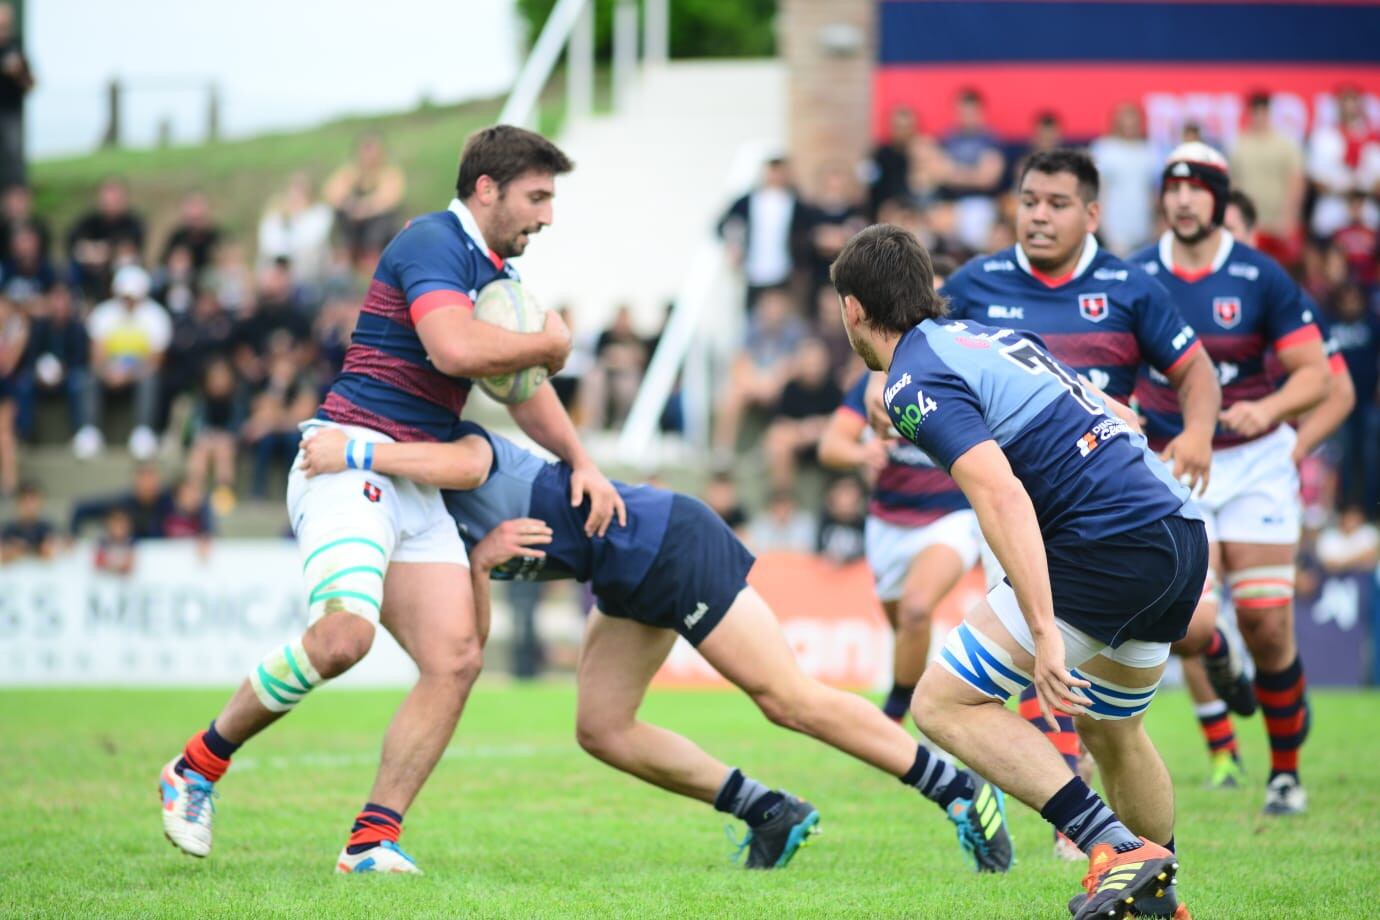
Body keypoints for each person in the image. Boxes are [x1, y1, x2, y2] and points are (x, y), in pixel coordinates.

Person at [156, 124, 624, 875]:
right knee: (344, 638)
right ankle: (196, 767)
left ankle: (371, 840)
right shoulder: (433, 242)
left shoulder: (491, 269)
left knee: (456, 659)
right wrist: (550, 342)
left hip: (414, 477)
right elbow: (455, 351)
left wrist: (583, 462)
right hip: (346, 461)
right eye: (537, 197)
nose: (547, 215)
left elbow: (522, 390)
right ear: (486, 190)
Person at [297, 422, 1015, 874]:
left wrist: (356, 449)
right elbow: (467, 649)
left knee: (785, 699)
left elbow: (470, 455)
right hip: (622, 575)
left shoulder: (455, 453)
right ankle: (768, 810)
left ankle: (959, 790)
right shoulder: (434, 538)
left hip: (666, 541)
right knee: (600, 728)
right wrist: (481, 565)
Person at [834, 223, 1205, 920]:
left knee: (941, 703)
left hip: (1106, 543)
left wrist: (1045, 628)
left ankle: (1115, 848)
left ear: (853, 309)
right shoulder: (983, 337)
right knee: (1113, 731)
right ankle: (1158, 897)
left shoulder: (912, 377)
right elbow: (1118, 411)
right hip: (1174, 528)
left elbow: (999, 493)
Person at [943, 148, 1227, 831]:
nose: (1039, 215)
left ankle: (1100, 830)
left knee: (1175, 644)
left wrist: (1195, 435)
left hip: (1110, 510)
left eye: (1057, 203)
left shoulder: (1129, 288)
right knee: (1058, 679)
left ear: (1092, 213)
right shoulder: (974, 284)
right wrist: (876, 393)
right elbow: (911, 356)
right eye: (1029, 199)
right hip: (1016, 506)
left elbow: (1198, 374)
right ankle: (1099, 830)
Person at [1132, 142, 1330, 816]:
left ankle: (1285, 775)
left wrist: (1268, 409)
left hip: (1252, 464)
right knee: (1187, 623)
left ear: (1219, 198)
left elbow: (1316, 374)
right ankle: (1217, 656)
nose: (1184, 198)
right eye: (1173, 187)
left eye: (1198, 187)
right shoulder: (1135, 274)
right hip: (1173, 459)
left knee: (1269, 624)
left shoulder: (1259, 275)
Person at [819, 367, 978, 726]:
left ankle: (892, 719)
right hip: (887, 522)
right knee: (905, 629)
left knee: (916, 610)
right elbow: (831, 446)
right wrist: (863, 454)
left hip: (952, 517)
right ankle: (935, 710)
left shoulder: (961, 374)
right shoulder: (877, 381)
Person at [82, 264, 172, 460]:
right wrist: (110, 371)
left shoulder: (156, 317)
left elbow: (155, 361)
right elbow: (96, 356)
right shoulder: (103, 314)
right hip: (109, 371)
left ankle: (143, 431)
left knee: (151, 380)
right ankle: (90, 431)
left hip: (140, 373)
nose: (128, 301)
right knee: (88, 378)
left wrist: (128, 373)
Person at [1228, 93, 1305, 265]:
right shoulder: (1239, 144)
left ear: (1269, 113)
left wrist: (1290, 217)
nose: (1259, 117)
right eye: (1255, 112)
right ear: (1249, 113)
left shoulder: (1285, 144)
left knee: (1281, 274)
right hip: (1250, 224)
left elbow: (1296, 181)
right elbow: (1233, 184)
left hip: (1279, 224)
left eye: (1263, 112)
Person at [717, 157, 801, 311]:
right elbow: (723, 224)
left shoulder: (795, 202)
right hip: (753, 270)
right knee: (752, 314)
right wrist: (734, 244)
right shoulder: (747, 201)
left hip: (783, 270)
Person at [323, 133, 406, 270]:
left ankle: (372, 255)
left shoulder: (388, 173)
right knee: (339, 214)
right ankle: (346, 254)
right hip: (354, 221)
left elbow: (388, 199)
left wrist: (364, 208)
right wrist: (351, 205)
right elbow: (332, 192)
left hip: (376, 222)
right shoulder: (351, 172)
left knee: (384, 218)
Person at [1089, 103, 1159, 257]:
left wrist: (1155, 226)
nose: (1129, 124)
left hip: (1143, 232)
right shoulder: (1104, 149)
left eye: (1133, 119)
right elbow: (1097, 191)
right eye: (1125, 118)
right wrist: (1101, 227)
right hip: (1114, 233)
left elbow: (1152, 193)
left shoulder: (1149, 151)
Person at [65, 178, 145, 301]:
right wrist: (100, 253)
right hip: (89, 273)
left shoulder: (133, 223)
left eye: (114, 200)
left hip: (116, 274)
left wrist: (98, 252)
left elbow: (128, 251)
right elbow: (73, 245)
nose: (110, 204)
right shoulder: (90, 221)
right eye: (106, 200)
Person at [0, 3, 32, 188]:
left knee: (14, 158)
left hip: (11, 112)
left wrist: (17, 72)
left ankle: (15, 198)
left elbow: (30, 83)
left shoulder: (16, 46)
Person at [1, 479, 58, 562]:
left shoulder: (46, 527)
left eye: (33, 500)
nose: (29, 505)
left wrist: (37, 550)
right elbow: (3, 555)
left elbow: (52, 552)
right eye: (25, 500)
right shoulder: (9, 529)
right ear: (18, 502)